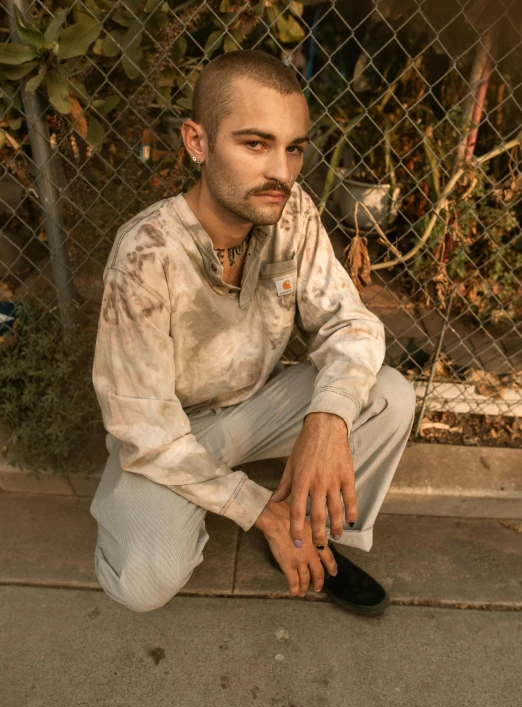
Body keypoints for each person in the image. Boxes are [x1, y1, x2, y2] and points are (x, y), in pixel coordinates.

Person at [90, 49, 416, 617]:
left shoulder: (292, 214)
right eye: (255, 144)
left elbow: (351, 321)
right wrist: (255, 507)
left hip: (256, 409)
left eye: (294, 148)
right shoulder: (144, 255)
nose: (282, 173)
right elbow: (143, 426)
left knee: (388, 395)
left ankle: (315, 534)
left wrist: (327, 418)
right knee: (143, 586)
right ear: (198, 142)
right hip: (169, 433)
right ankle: (146, 512)